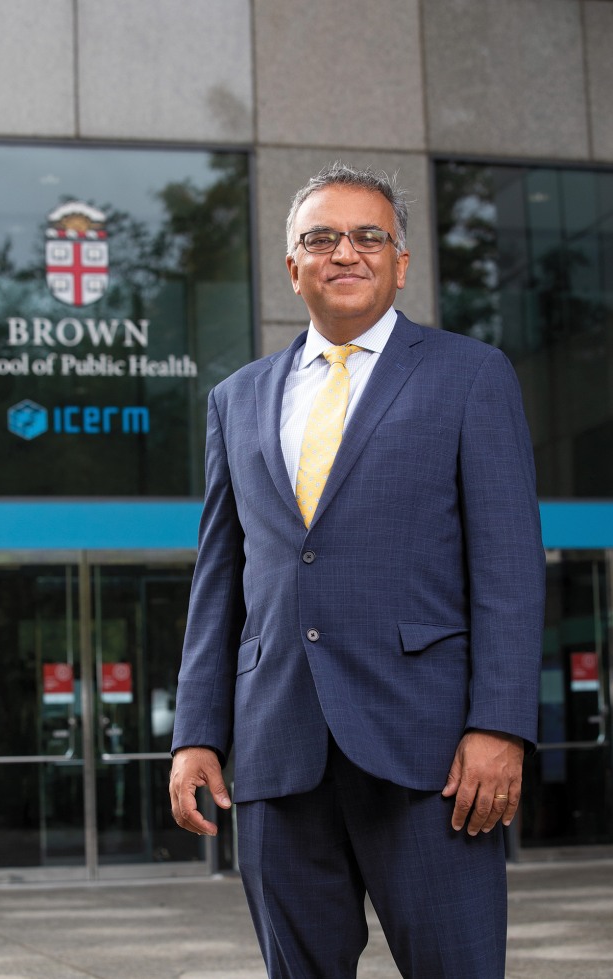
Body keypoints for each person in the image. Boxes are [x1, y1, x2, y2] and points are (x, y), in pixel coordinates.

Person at [169, 161, 546, 979]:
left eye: (368, 236)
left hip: (432, 753)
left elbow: (509, 567)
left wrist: (500, 725)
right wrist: (197, 731)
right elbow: (220, 579)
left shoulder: (469, 375)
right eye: (321, 237)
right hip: (277, 749)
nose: (346, 251)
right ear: (292, 265)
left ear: (399, 262)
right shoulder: (236, 398)